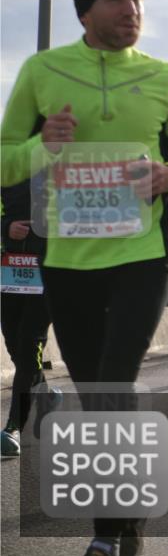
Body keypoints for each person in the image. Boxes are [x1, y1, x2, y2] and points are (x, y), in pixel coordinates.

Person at [0, 0, 168, 556]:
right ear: (86, 10)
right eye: (118, 1)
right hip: (68, 259)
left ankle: (106, 532)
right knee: (94, 393)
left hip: (145, 254)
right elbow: (6, 157)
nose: (133, 11)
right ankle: (130, 513)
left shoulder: (164, 74)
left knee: (116, 378)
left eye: (138, 0)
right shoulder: (43, 72)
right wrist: (43, 144)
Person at [0, 179, 60, 457]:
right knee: (16, 347)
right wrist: (5, 228)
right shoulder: (6, 166)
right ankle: (45, 397)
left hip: (49, 272)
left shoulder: (61, 166)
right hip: (9, 276)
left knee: (28, 345)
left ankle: (13, 427)